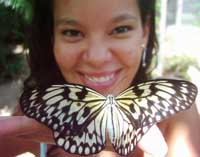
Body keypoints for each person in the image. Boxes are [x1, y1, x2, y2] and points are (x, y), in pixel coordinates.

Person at [0, 0, 199, 156]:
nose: (97, 58)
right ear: (52, 39)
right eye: (72, 32)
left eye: (120, 29)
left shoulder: (175, 118)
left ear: (145, 32)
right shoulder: (40, 117)